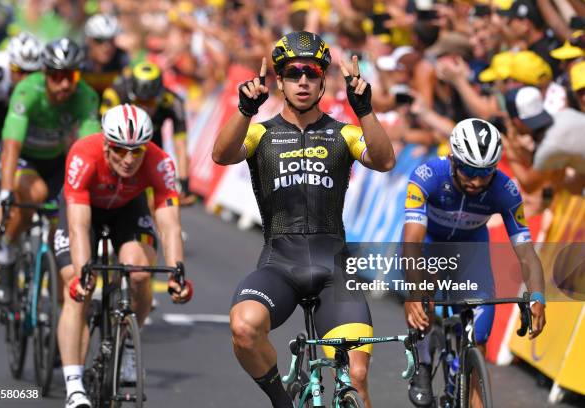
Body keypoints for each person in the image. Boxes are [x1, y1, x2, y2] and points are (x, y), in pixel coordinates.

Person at [213, 31, 396, 408]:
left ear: (323, 80)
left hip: (334, 268)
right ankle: (282, 402)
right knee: (244, 326)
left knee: (356, 376)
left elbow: (384, 161)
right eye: (293, 73)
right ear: (278, 80)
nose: (302, 81)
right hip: (280, 263)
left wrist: (364, 110)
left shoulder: (344, 133)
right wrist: (245, 111)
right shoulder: (260, 134)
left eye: (312, 73)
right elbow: (221, 155)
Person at [402, 118, 547, 407]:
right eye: (468, 170)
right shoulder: (427, 174)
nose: (477, 181)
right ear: (454, 159)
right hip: (428, 247)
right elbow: (413, 241)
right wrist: (413, 293)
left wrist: (538, 297)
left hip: (470, 252)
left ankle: (465, 372)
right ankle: (423, 362)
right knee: (424, 307)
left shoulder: (505, 191)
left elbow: (526, 252)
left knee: (478, 337)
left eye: (485, 173)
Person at [56, 104, 191, 408]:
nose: (129, 159)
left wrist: (177, 274)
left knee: (141, 272)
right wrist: (82, 273)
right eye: (119, 150)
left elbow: (170, 225)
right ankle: (74, 384)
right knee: (78, 289)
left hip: (127, 210)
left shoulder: (160, 162)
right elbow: (78, 226)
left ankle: (129, 342)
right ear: (106, 143)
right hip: (84, 208)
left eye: (137, 151)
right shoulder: (83, 154)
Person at [0, 37, 100, 305]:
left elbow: (89, 149)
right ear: (45, 74)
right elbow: (11, 145)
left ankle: (56, 289)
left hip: (55, 162)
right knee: (34, 196)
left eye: (71, 76)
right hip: (23, 159)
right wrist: (6, 192)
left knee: (60, 227)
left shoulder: (85, 96)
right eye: (56, 76)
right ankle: (6, 254)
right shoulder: (28, 91)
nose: (64, 84)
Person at [0, 32, 42, 289]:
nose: (23, 77)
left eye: (30, 72)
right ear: (9, 64)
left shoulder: (43, 82)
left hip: (24, 117)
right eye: (18, 70)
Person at [101, 61, 196, 205]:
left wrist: (184, 183)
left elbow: (180, 144)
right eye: (139, 101)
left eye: (150, 102)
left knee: (154, 199)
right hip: (119, 143)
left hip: (152, 143)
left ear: (159, 96)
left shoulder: (173, 102)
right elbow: (101, 134)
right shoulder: (115, 93)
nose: (144, 108)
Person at [80, 13, 130, 96]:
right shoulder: (79, 60)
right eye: (100, 40)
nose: (107, 46)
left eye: (111, 40)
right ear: (89, 41)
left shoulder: (122, 61)